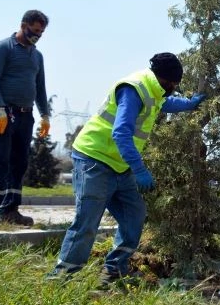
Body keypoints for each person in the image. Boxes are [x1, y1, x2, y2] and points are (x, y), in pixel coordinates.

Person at [49, 53, 205, 287]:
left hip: (119, 166)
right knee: (87, 222)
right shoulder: (134, 89)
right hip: (94, 160)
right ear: (165, 79)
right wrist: (140, 170)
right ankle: (62, 278)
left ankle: (114, 271)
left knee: (134, 216)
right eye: (172, 84)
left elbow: (165, 103)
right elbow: (120, 133)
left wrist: (190, 104)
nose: (173, 89)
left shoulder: (155, 90)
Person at [0, 10, 51, 229]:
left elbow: (40, 88)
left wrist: (45, 114)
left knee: (19, 163)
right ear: (23, 25)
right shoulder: (2, 48)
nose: (38, 35)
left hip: (25, 114)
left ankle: (9, 210)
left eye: (42, 32)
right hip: (2, 113)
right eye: (35, 30)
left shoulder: (37, 56)